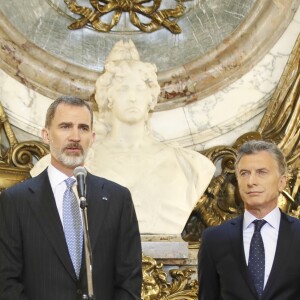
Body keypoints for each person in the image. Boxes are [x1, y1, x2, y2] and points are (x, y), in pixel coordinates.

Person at [0, 96, 142, 300]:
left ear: (92, 137)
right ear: (46, 135)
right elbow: (7, 282)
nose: (75, 136)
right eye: (65, 126)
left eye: (83, 128)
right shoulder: (15, 201)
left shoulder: (117, 199)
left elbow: (129, 280)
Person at [88, 40, 216, 234]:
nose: (132, 97)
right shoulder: (84, 162)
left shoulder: (189, 165)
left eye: (139, 89)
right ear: (108, 97)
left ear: (151, 97)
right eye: (123, 89)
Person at [198, 140, 300, 300]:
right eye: (244, 173)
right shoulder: (214, 239)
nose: (251, 182)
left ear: (282, 182)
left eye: (261, 172)